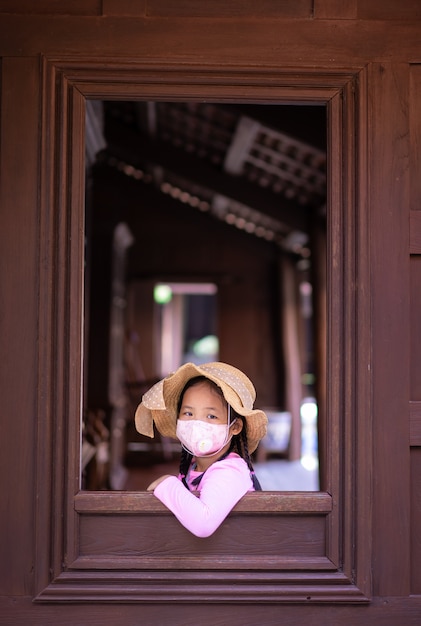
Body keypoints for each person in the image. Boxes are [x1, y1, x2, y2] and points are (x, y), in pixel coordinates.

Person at [134, 361, 268, 538]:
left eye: (211, 416)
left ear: (235, 427)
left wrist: (167, 483)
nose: (197, 424)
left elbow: (203, 524)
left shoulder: (230, 471)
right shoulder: (194, 468)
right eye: (188, 413)